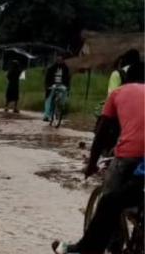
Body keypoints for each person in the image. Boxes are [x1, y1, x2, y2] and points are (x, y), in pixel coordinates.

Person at [52, 61, 144, 254]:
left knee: (108, 201)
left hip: (129, 157)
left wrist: (92, 164)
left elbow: (102, 132)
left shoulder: (118, 93)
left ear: (125, 78)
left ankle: (91, 249)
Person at [43, 55, 71, 122]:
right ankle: (46, 116)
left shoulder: (66, 68)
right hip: (52, 85)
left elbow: (67, 79)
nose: (59, 61)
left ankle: (60, 108)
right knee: (48, 99)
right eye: (58, 59)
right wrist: (48, 85)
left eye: (61, 59)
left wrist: (67, 86)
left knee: (64, 93)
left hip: (62, 85)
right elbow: (47, 78)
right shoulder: (51, 68)